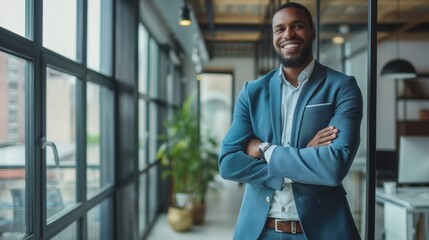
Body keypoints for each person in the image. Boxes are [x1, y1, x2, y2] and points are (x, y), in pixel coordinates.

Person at [218, 2, 363, 240]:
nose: (288, 35)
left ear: (313, 32)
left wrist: (265, 150)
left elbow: (334, 167)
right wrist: (303, 156)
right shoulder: (251, 93)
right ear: (273, 36)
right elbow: (228, 163)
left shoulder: (342, 87)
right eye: (280, 29)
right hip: (260, 231)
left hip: (321, 231)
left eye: (298, 26)